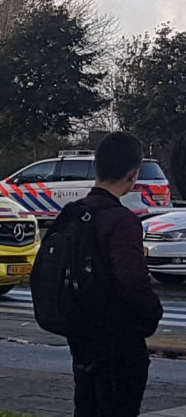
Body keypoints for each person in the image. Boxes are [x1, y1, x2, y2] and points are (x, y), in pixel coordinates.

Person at [66, 132, 163, 416]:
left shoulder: (73, 214)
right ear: (133, 174)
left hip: (81, 337)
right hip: (118, 341)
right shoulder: (121, 221)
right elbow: (133, 281)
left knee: (85, 407)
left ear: (96, 167)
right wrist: (152, 315)